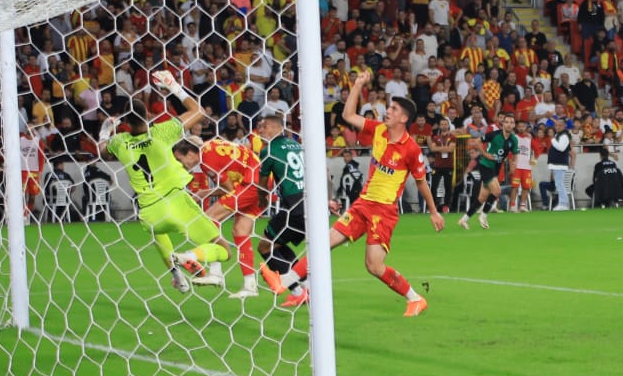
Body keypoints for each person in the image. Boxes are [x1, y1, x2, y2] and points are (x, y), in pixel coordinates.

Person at [280, 71, 444, 315]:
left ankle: (415, 298)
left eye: (394, 109)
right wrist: (357, 85)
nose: (388, 111)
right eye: (389, 107)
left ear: (404, 118)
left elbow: (421, 183)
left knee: (374, 265)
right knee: (323, 243)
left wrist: (433, 212)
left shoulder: (410, 149)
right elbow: (347, 115)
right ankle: (284, 281)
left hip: (384, 211)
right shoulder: (378, 130)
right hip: (362, 204)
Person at [97, 74, 227, 294]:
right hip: (177, 203)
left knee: (158, 232)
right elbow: (198, 112)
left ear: (126, 123)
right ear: (148, 116)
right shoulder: (161, 132)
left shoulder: (120, 142)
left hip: (149, 212)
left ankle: (177, 276)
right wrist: (173, 86)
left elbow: (101, 150)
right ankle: (188, 256)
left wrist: (105, 129)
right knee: (223, 249)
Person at [172, 134, 262, 299]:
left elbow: (229, 190)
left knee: (210, 218)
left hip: (252, 185)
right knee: (240, 231)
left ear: (191, 154)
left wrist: (204, 192)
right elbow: (233, 187)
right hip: (262, 184)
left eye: (180, 159)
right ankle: (250, 285)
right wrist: (204, 192)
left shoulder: (206, 161)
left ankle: (216, 273)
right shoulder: (212, 146)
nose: (181, 165)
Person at [252, 108, 307, 297]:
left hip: (293, 207)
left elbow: (262, 185)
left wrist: (261, 200)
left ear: (277, 127)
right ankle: (306, 285)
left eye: (264, 126)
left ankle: (298, 292)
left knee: (264, 247)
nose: (261, 130)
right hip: (309, 205)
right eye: (259, 127)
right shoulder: (296, 144)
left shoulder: (268, 150)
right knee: (279, 244)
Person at [459, 112, 519, 229]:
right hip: (486, 165)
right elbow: (477, 142)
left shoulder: (514, 140)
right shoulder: (494, 135)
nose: (508, 124)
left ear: (513, 125)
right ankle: (483, 215)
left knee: (482, 198)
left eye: (511, 122)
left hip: (496, 168)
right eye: (506, 122)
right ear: (502, 124)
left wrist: (513, 164)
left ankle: (463, 219)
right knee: (497, 192)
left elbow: (515, 154)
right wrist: (485, 154)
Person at [546, 119, 573, 210]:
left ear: (564, 125)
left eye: (559, 125)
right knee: (559, 184)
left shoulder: (564, 136)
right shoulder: (559, 135)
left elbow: (561, 148)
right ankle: (563, 203)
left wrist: (552, 139)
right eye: (556, 125)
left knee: (560, 184)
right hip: (557, 164)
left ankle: (564, 204)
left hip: (559, 164)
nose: (557, 127)